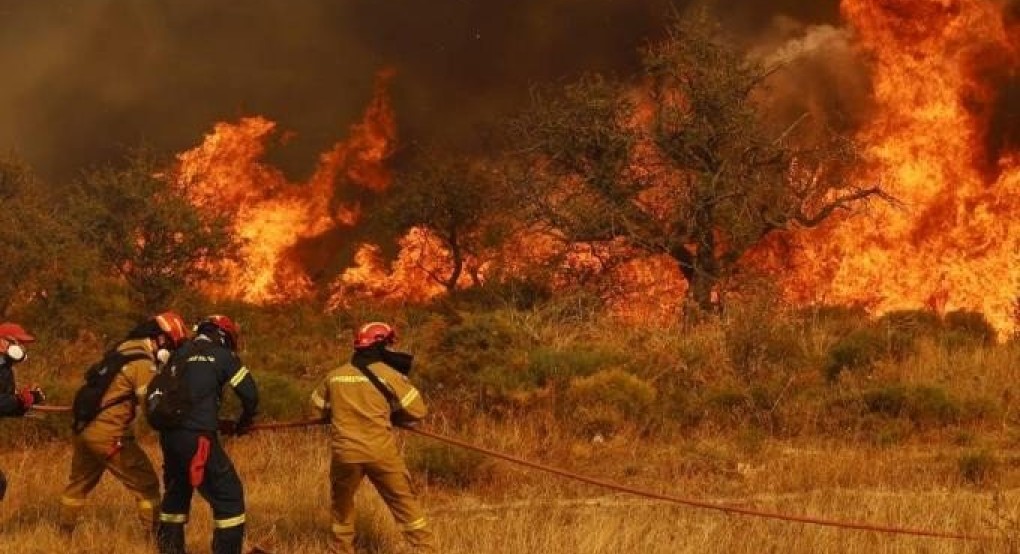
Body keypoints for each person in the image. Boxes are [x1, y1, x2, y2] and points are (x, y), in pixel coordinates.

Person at [309, 321, 436, 554]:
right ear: (382, 345)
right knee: (405, 505)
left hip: (345, 454)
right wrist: (392, 412)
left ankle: (341, 549)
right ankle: (425, 549)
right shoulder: (390, 375)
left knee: (342, 509)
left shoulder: (335, 376)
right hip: (380, 453)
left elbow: (316, 409)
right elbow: (418, 411)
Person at [59, 312, 189, 534]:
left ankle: (63, 534)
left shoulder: (121, 350)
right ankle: (152, 539)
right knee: (147, 485)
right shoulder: (141, 362)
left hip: (84, 430)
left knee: (78, 485)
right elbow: (152, 405)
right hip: (110, 435)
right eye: (170, 344)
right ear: (160, 339)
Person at [156, 315, 259, 554]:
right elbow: (250, 394)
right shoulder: (223, 356)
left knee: (176, 492)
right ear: (224, 336)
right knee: (228, 495)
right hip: (198, 437)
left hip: (170, 437)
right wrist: (244, 422)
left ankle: (170, 550)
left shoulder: (178, 354)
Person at [0, 322, 43, 501]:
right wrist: (20, 401)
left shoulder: (4, 368)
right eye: (18, 342)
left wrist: (27, 402)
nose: (22, 348)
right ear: (2, 342)